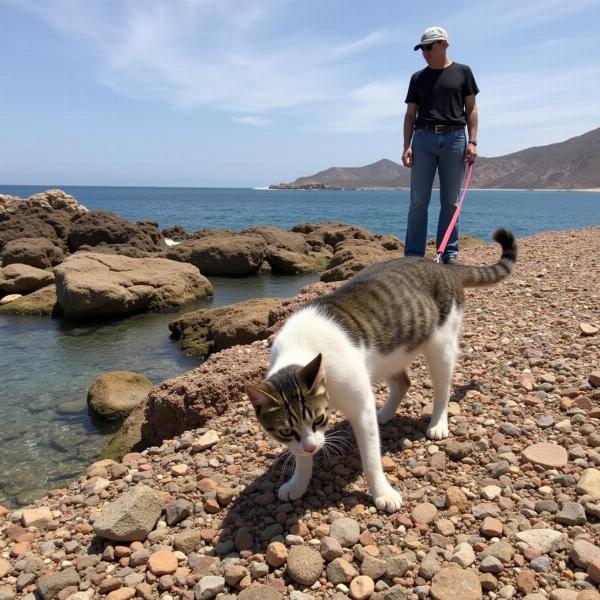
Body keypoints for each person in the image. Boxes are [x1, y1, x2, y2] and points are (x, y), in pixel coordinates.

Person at [402, 26, 479, 264]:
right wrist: (407, 145)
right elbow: (409, 115)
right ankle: (413, 257)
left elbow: (472, 109)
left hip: (455, 138)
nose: (424, 52)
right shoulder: (417, 78)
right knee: (418, 201)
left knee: (450, 201)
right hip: (423, 139)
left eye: (428, 47)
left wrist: (473, 141)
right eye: (421, 48)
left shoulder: (463, 72)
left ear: (443, 44)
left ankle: (449, 253)